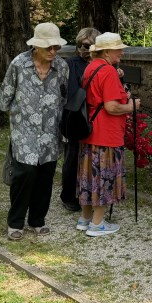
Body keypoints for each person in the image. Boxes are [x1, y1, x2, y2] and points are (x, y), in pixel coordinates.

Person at [0, 22, 70, 241]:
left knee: (45, 177)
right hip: (24, 131)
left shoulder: (61, 67)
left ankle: (37, 220)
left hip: (50, 132)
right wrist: (16, 116)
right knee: (24, 175)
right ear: (36, 46)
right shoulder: (19, 64)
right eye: (48, 47)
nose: (53, 51)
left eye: (56, 47)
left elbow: (65, 96)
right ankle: (15, 222)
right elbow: (5, 95)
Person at [76, 32, 140, 237]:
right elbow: (111, 107)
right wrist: (131, 106)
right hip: (106, 134)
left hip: (90, 131)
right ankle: (97, 224)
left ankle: (85, 218)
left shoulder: (91, 67)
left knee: (89, 177)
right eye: (118, 49)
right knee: (104, 177)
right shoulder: (109, 71)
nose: (122, 52)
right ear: (106, 52)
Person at [60, 27, 101, 212]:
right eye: (81, 45)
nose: (83, 49)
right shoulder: (71, 64)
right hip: (76, 115)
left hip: (95, 116)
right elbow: (71, 93)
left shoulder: (101, 63)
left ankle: (87, 192)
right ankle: (69, 196)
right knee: (73, 156)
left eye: (88, 46)